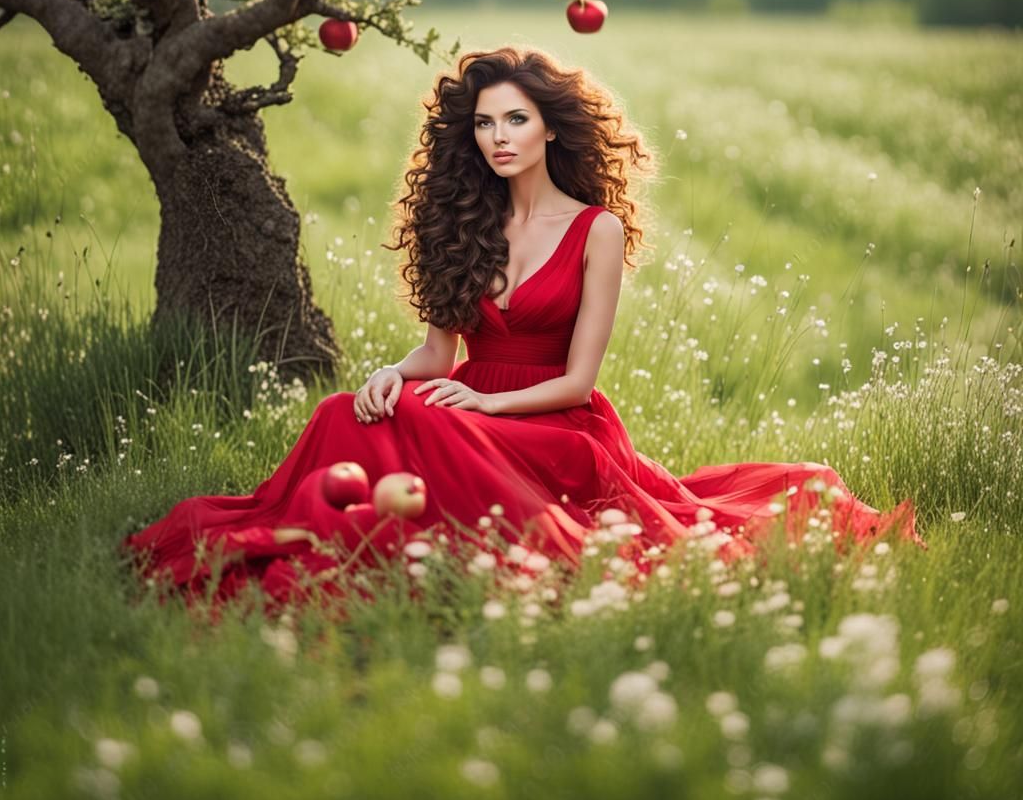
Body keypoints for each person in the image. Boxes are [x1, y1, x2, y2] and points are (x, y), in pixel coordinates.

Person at [121, 46, 925, 618]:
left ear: (551, 130)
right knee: (345, 412)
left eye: (516, 119)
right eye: (484, 124)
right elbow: (438, 354)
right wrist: (392, 374)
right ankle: (347, 545)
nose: (499, 137)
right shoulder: (460, 222)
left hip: (556, 422)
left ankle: (416, 551)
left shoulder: (596, 229)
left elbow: (579, 380)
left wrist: (481, 405)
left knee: (436, 423)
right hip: (462, 403)